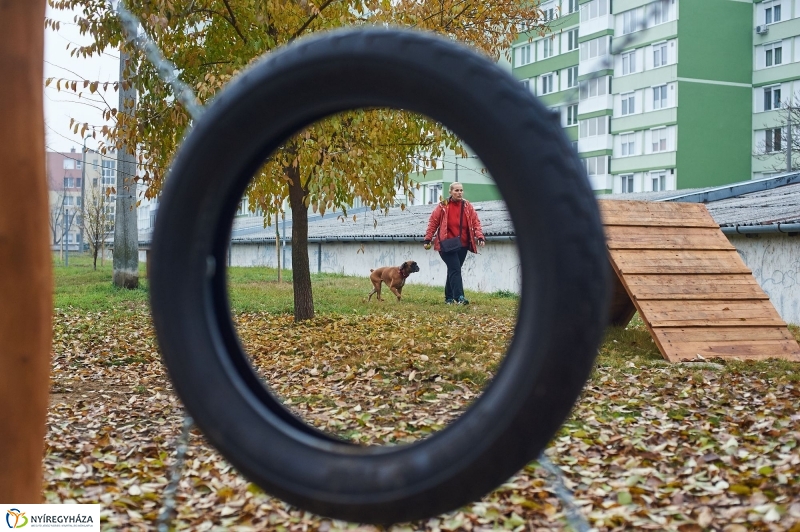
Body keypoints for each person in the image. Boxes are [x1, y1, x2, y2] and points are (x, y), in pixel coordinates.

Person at [423, 183, 485, 305]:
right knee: (455, 269)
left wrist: (480, 236)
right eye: (456, 190)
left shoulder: (467, 206)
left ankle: (449, 298)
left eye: (461, 190)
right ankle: (459, 297)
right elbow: (433, 222)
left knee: (453, 270)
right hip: (446, 244)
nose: (459, 192)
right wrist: (428, 239)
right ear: (450, 192)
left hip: (463, 244)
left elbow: (475, 222)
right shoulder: (443, 206)